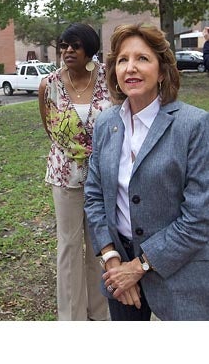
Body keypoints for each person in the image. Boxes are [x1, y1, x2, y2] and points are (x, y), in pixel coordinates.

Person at [84, 23, 209, 320]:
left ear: (162, 70)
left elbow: (199, 217)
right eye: (123, 60)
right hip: (119, 273)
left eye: (142, 58)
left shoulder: (193, 126)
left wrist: (138, 267)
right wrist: (112, 259)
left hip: (180, 273)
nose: (131, 68)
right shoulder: (106, 123)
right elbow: (94, 196)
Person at [38, 22, 111, 321]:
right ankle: (71, 317)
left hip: (104, 175)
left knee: (99, 242)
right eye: (64, 46)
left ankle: (100, 310)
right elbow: (49, 127)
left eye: (75, 46)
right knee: (68, 243)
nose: (68, 50)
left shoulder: (108, 77)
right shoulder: (49, 84)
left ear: (89, 50)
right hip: (65, 175)